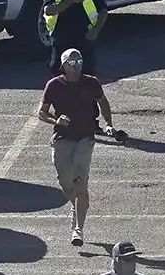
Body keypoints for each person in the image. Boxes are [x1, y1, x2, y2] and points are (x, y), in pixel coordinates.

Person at [37, 48, 114, 248]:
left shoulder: (91, 83)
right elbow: (42, 113)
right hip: (62, 139)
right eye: (71, 63)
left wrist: (109, 124)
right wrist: (56, 120)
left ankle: (78, 229)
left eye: (79, 62)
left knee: (81, 182)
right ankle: (76, 207)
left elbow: (103, 102)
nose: (76, 66)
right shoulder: (54, 86)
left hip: (85, 139)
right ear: (63, 66)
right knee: (65, 182)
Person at [42, 0, 105, 78]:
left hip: (84, 38)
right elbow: (48, 10)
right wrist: (72, 0)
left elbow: (103, 10)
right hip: (60, 39)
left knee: (87, 75)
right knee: (58, 75)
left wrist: (96, 30)